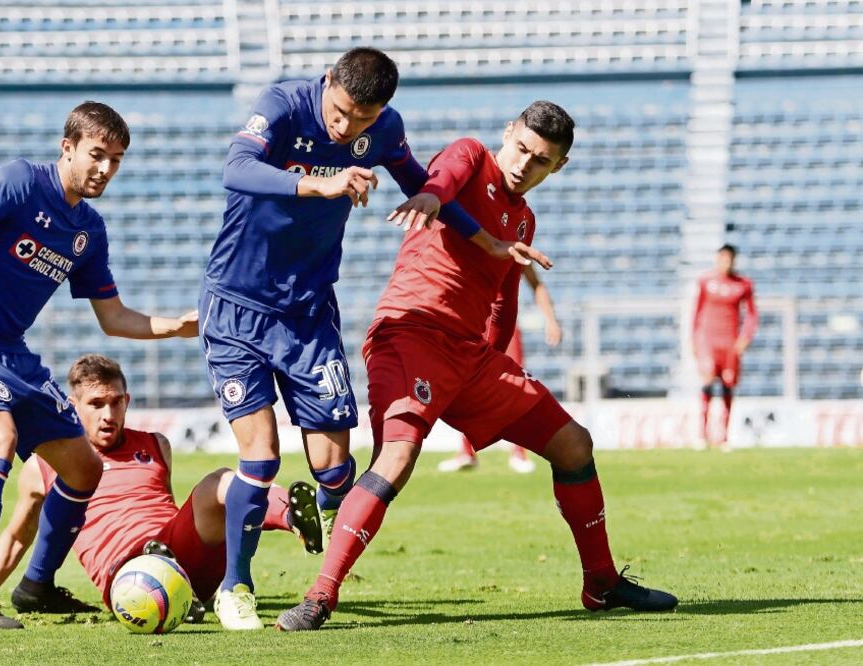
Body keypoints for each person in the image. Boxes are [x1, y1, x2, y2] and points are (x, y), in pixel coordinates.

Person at [277, 101, 678, 631]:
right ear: (507, 133)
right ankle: (319, 597)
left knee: (574, 444)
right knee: (396, 459)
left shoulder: (524, 220)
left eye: (540, 161)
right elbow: (443, 179)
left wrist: (495, 356)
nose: (523, 164)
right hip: (410, 335)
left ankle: (601, 583)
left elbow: (502, 302)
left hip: (470, 357)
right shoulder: (468, 156)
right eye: (521, 149)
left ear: (558, 168)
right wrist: (429, 194)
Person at [200, 47, 533, 629]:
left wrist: (488, 243)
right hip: (237, 305)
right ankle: (236, 586)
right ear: (327, 82)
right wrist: (323, 185)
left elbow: (425, 189)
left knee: (334, 469)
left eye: (363, 120)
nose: (347, 127)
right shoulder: (282, 105)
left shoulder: (383, 129)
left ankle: (308, 515)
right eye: (341, 112)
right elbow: (236, 169)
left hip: (307, 313)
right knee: (260, 457)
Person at [0, 102, 199, 629]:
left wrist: (174, 326)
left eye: (116, 160)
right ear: (66, 147)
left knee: (83, 467)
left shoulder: (88, 230)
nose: (105, 169)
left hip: (11, 350)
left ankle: (36, 587)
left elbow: (113, 318)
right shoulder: (20, 181)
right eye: (97, 155)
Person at [0, 354, 323, 624]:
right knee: (145, 564)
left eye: (115, 402)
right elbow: (17, 536)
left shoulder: (155, 445)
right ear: (73, 406)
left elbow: (173, 508)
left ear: (127, 401)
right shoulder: (45, 462)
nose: (108, 414)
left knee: (219, 482)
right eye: (96, 404)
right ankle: (176, 591)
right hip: (124, 575)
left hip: (176, 547)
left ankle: (295, 517)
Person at [438, 263, 562, 474]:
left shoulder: (514, 247)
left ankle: (519, 452)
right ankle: (467, 452)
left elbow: (536, 284)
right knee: (467, 386)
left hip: (506, 327)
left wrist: (551, 320)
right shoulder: (476, 242)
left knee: (514, 384)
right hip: (474, 326)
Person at [692, 244, 758, 448]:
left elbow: (752, 314)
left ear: (734, 260)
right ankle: (702, 435)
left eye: (728, 259)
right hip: (709, 341)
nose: (724, 263)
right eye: (721, 258)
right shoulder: (705, 281)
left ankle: (724, 437)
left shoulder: (743, 284)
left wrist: (745, 337)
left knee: (728, 386)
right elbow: (696, 311)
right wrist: (694, 339)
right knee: (708, 383)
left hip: (730, 343)